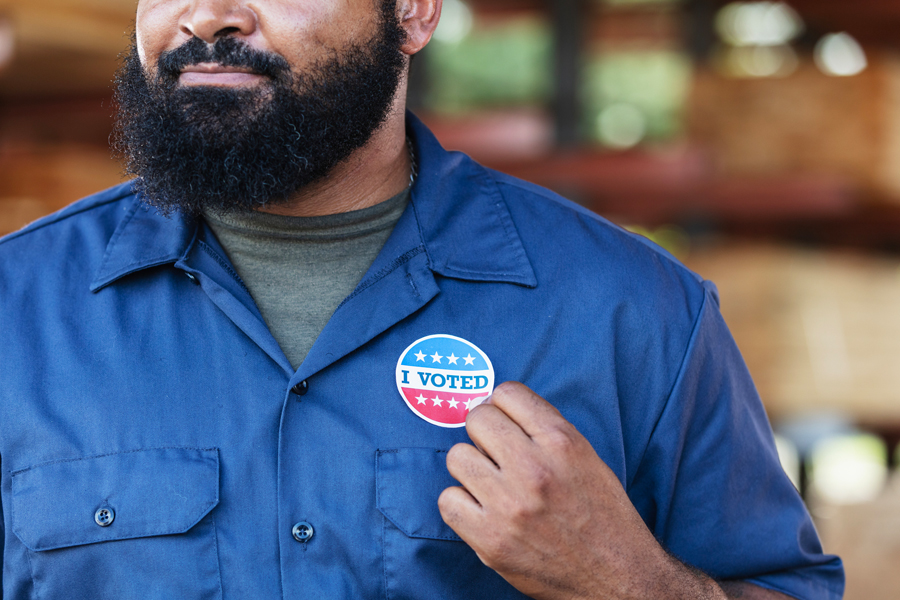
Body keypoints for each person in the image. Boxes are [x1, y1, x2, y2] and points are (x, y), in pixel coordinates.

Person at [0, 0, 843, 598]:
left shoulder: (633, 310)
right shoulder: (17, 308)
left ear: (414, 13)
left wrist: (629, 586)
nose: (207, 15)